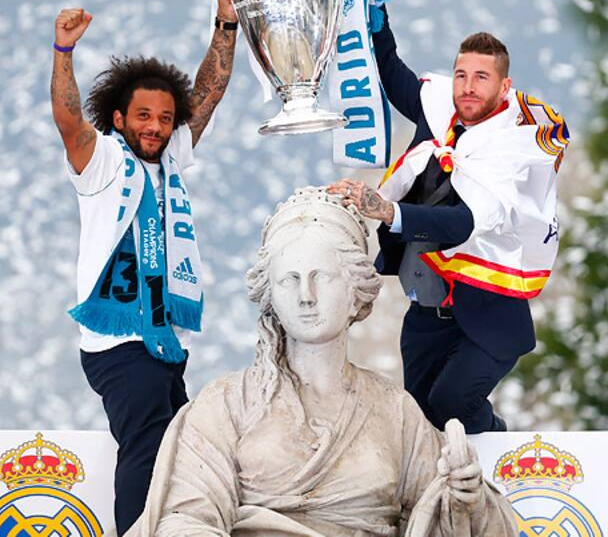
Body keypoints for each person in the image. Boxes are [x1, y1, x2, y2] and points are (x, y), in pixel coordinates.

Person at [127, 187, 520, 536]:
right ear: (270, 295)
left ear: (355, 290)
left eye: (323, 277)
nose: (306, 296)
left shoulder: (394, 411)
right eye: (289, 279)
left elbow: (460, 520)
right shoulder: (226, 404)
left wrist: (464, 500)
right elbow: (183, 520)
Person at [329, 0, 569, 435]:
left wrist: (389, 211)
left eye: (481, 78)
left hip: (486, 317)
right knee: (420, 426)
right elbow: (390, 69)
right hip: (426, 312)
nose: (468, 87)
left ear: (504, 86)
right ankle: (461, 475)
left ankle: (498, 454)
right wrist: (372, 0)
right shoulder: (440, 115)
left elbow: (463, 223)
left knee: (451, 406)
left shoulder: (511, 148)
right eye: (462, 75)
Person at [49, 0, 240, 534]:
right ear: (119, 119)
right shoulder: (102, 161)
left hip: (163, 339)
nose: (155, 127)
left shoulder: (172, 156)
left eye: (164, 118)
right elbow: (68, 119)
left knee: (182, 452)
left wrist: (226, 22)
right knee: (147, 445)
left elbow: (210, 91)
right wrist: (63, 51)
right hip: (117, 343)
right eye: (143, 117)